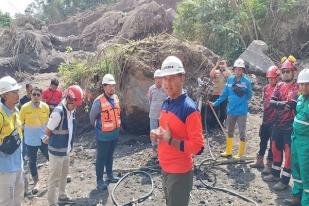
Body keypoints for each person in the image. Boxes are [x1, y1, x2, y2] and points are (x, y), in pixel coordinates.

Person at [150, 56, 204, 206]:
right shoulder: (167, 103)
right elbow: (166, 129)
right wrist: (157, 132)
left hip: (179, 172)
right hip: (165, 167)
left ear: (182, 78)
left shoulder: (189, 109)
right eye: (165, 79)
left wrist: (170, 140)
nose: (167, 84)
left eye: (172, 78)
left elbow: (198, 147)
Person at [43, 85, 83, 206]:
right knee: (54, 178)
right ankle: (52, 202)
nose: (76, 106)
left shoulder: (72, 110)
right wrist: (48, 139)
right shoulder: (58, 113)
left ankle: (62, 195)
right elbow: (48, 131)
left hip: (66, 151)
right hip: (56, 153)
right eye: (75, 103)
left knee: (64, 175)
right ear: (69, 99)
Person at [263, 58, 299, 191]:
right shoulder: (279, 86)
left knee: (288, 154)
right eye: (283, 72)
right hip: (276, 124)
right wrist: (282, 105)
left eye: (287, 71)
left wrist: (280, 104)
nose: (285, 74)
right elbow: (271, 102)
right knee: (275, 149)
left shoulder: (296, 87)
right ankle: (275, 174)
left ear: (293, 72)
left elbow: (292, 104)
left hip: (289, 126)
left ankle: (284, 181)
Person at [209, 58, 252, 159]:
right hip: (231, 111)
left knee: (242, 132)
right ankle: (228, 151)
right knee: (229, 131)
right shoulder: (229, 80)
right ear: (234, 69)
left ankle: (240, 154)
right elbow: (224, 95)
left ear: (243, 71)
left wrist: (243, 93)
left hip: (241, 111)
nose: (238, 71)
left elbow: (249, 95)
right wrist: (215, 103)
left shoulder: (247, 82)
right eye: (237, 69)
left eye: (240, 69)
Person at [89, 74, 121, 191]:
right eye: (109, 86)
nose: (112, 88)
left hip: (114, 134)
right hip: (103, 136)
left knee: (110, 156)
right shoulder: (98, 102)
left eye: (113, 86)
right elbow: (92, 118)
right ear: (104, 87)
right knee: (101, 158)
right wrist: (100, 127)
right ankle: (99, 180)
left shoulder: (116, 98)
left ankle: (110, 175)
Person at [250, 66, 280, 174]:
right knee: (262, 141)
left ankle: (269, 164)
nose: (271, 80)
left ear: (277, 77)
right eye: (269, 78)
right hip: (266, 119)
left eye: (273, 78)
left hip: (275, 121)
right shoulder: (266, 88)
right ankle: (259, 161)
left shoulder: (280, 88)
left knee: (272, 144)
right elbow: (264, 103)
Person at [19, 87, 49, 191]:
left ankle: (56, 177)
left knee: (50, 156)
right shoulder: (24, 108)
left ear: (41, 96)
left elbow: (47, 123)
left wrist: (47, 135)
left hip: (43, 138)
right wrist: (27, 131)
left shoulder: (45, 107)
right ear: (30, 95)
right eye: (34, 94)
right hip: (30, 139)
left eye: (38, 95)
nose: (36, 96)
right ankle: (36, 182)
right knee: (32, 161)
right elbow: (20, 123)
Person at [0, 76, 24, 206]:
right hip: (4, 168)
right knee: (6, 202)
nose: (17, 94)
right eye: (13, 92)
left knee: (17, 200)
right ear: (4, 95)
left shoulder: (15, 110)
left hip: (17, 164)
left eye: (17, 91)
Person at [288, 68, 309, 206]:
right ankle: (296, 197)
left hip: (306, 143)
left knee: (306, 171)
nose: (303, 87)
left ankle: (306, 202)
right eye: (301, 84)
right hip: (296, 139)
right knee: (295, 168)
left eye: (306, 84)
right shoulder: (301, 98)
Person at [148, 69, 167, 158]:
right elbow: (150, 100)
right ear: (154, 79)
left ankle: (163, 150)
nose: (158, 80)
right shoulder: (151, 89)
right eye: (156, 78)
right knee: (153, 132)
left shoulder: (166, 89)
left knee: (163, 132)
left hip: (163, 116)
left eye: (160, 78)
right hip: (153, 114)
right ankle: (154, 151)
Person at [207, 59, 231, 129]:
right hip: (215, 93)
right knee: (215, 110)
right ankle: (213, 125)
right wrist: (216, 66)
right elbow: (211, 74)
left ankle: (221, 124)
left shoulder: (227, 72)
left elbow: (231, 77)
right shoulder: (216, 72)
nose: (222, 64)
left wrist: (225, 68)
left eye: (223, 63)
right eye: (221, 63)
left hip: (224, 95)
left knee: (223, 111)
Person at [19, 83, 33, 160]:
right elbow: (21, 113)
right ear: (27, 89)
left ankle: (29, 155)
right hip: (25, 123)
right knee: (24, 140)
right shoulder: (22, 100)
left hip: (33, 123)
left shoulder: (34, 98)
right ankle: (23, 156)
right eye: (30, 89)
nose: (31, 91)